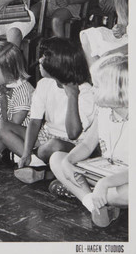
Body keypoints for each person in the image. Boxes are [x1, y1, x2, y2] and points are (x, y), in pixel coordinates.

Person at [0, 37, 96, 184]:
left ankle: (43, 168)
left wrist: (72, 96)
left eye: (45, 57)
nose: (40, 60)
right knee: (2, 127)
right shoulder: (44, 84)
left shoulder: (85, 92)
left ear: (58, 64)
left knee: (51, 146)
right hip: (46, 135)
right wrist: (26, 152)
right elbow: (35, 121)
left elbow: (73, 133)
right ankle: (35, 163)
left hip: (73, 145)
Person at [49, 54, 128, 228]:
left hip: (123, 180)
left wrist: (105, 183)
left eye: (97, 86)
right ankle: (94, 204)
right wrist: (69, 162)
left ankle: (86, 194)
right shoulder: (104, 111)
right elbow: (86, 145)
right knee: (57, 159)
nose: (92, 89)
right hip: (103, 174)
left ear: (116, 90)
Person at [80, 0, 128, 67]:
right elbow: (122, 23)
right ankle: (97, 78)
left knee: (107, 55)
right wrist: (119, 28)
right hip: (126, 36)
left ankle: (100, 75)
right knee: (87, 36)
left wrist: (126, 29)